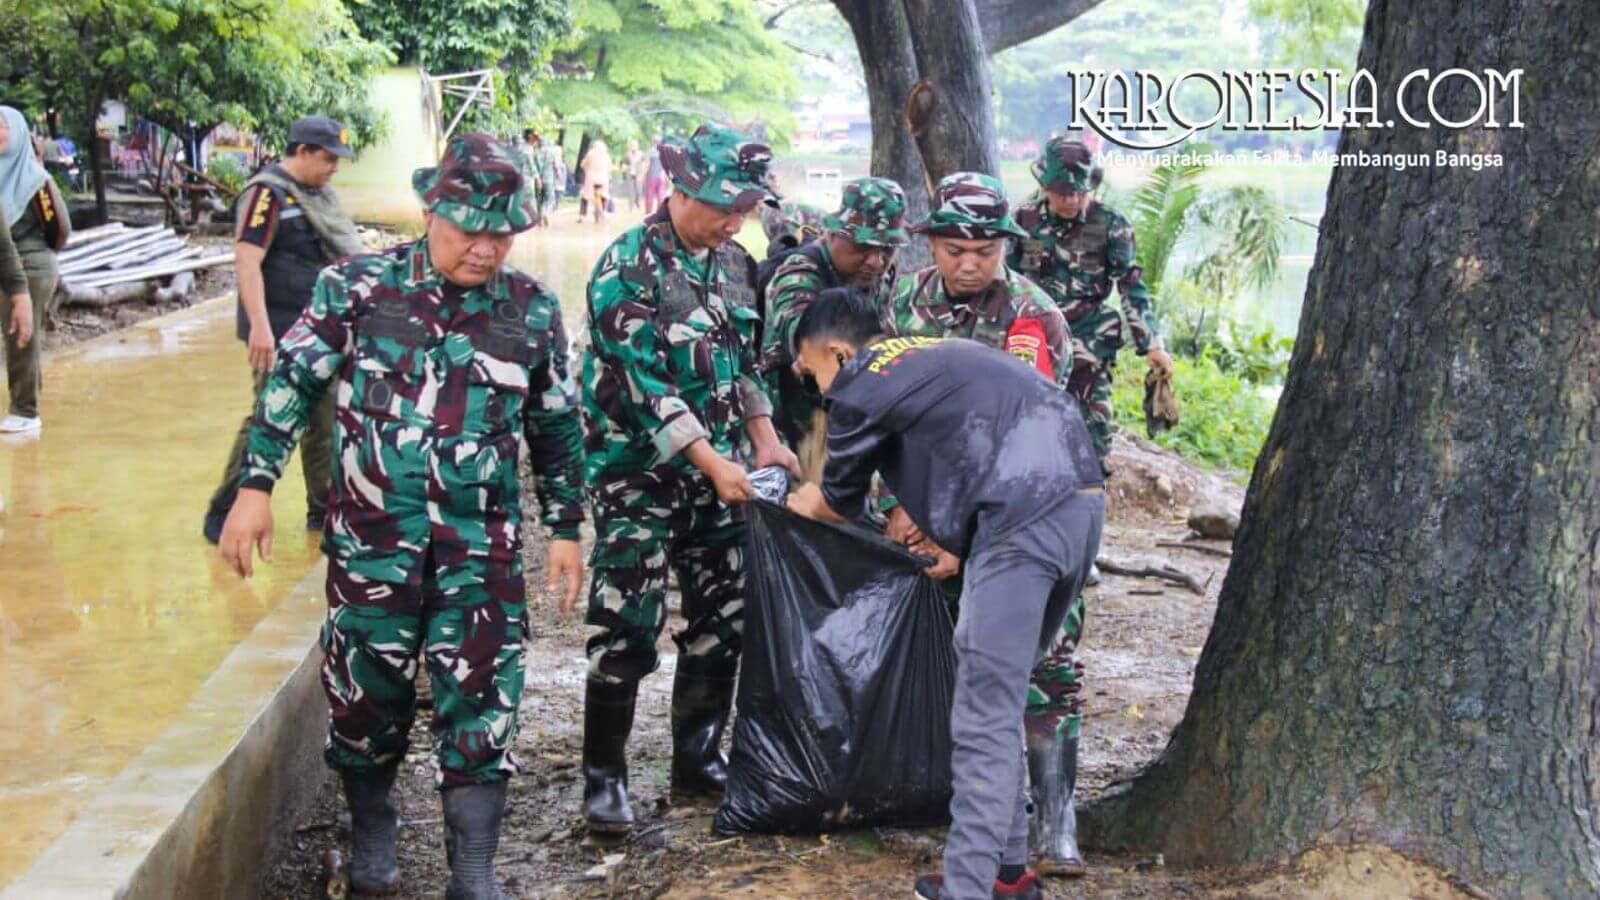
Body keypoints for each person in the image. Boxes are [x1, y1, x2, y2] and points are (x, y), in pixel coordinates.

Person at [217, 133, 586, 900]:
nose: (486, 248)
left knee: (483, 697)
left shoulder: (531, 309)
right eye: (470, 230)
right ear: (430, 213)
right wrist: (254, 488)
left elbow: (555, 427)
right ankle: (373, 834)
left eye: (502, 233)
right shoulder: (355, 289)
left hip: (480, 550)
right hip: (372, 547)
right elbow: (291, 386)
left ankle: (473, 870)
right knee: (365, 696)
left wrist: (565, 528)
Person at [786, 288, 1105, 900]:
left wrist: (803, 501)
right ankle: (1007, 872)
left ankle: (967, 888)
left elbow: (837, 502)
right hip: (1080, 506)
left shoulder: (860, 381)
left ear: (839, 353)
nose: (821, 389)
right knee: (998, 697)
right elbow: (978, 444)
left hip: (1020, 524)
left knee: (982, 716)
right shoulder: (930, 355)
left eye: (814, 372)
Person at [574, 123, 799, 836]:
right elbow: (646, 387)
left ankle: (697, 759)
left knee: (726, 615)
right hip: (636, 477)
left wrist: (765, 439)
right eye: (724, 207)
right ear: (681, 189)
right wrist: (711, 461)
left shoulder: (735, 262)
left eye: (746, 209)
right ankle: (604, 780)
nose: (734, 222)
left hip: (723, 473)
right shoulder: (626, 267)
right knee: (627, 624)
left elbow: (746, 365)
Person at [883, 170, 1104, 878]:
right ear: (931, 244)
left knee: (1044, 664)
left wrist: (956, 531)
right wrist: (906, 505)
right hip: (939, 505)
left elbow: (1018, 442)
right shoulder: (904, 304)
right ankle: (999, 846)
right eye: (955, 250)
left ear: (1005, 246)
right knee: (976, 665)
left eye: (985, 251)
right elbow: (895, 415)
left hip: (1031, 511)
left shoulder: (1031, 316)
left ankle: (1055, 823)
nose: (970, 264)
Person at [200, 116, 364, 544]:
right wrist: (259, 327)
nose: (334, 167)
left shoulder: (317, 196)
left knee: (325, 419)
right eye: (328, 158)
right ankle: (225, 511)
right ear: (302, 151)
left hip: (318, 329)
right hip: (276, 330)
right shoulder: (266, 193)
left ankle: (323, 512)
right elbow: (247, 259)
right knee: (268, 418)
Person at [1011, 137, 1173, 469]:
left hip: (1090, 338)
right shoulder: (1025, 221)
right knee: (1029, 422)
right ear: (1045, 186)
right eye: (1062, 192)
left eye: (1079, 192)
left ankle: (1091, 486)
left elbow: (1131, 285)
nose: (1072, 200)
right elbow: (1007, 283)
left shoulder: (1110, 224)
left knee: (1093, 427)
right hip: (1036, 337)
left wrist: (1152, 344)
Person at [758, 176, 908, 479]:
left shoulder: (880, 275)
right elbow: (806, 342)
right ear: (832, 234)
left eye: (887, 249)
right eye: (863, 247)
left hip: (850, 423)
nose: (876, 261)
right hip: (795, 430)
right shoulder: (799, 275)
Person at [0, 106, 70, 435]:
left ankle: (25, 410)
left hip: (30, 264)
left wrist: (39, 255)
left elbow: (59, 228)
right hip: (6, 264)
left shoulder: (34, 181)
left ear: (17, 132)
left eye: (2, 126)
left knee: (20, 335)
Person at [580, 137, 612, 225]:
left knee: (585, 196)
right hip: (603, 179)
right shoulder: (606, 156)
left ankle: (582, 216)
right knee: (604, 194)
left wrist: (586, 169)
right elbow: (610, 167)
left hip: (591, 178)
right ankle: (604, 211)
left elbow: (583, 164)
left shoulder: (590, 154)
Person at [643, 141, 669, 211]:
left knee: (650, 196)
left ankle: (649, 213)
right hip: (661, 178)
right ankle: (659, 213)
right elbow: (667, 166)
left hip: (652, 177)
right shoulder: (664, 152)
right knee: (661, 197)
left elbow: (646, 165)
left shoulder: (650, 152)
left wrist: (643, 176)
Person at [625, 140, 646, 212]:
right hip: (630, 174)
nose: (633, 147)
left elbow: (644, 165)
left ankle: (637, 202)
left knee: (639, 191)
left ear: (637, 146)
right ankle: (630, 207)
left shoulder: (641, 154)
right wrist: (627, 168)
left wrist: (642, 175)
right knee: (631, 191)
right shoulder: (628, 154)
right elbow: (625, 164)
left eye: (634, 145)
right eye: (632, 145)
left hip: (638, 174)